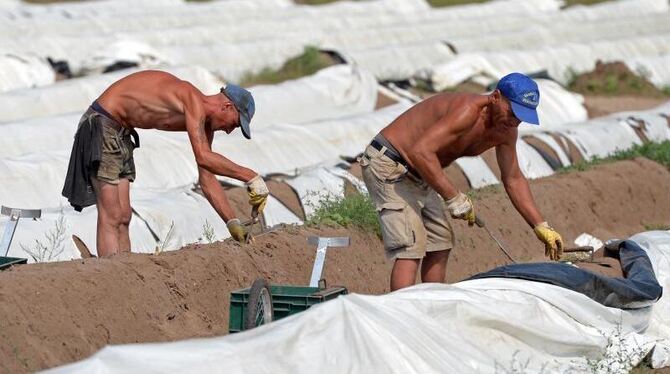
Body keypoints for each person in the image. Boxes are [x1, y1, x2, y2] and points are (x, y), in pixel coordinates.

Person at [360, 72, 564, 291]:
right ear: (495, 97)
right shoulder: (467, 111)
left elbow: (513, 178)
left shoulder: (506, 131)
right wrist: (454, 197)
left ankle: (433, 305)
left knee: (440, 241)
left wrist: (540, 225)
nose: (515, 121)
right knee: (411, 245)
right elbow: (420, 151)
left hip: (420, 172)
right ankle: (401, 317)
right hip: (390, 163)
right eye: (512, 112)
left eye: (521, 117)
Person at [62, 70, 268, 257]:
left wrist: (232, 223)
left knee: (124, 216)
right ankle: (110, 274)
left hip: (121, 134)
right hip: (103, 124)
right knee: (112, 214)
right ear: (227, 106)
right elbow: (203, 157)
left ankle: (124, 271)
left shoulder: (205, 125)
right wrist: (251, 177)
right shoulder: (191, 98)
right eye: (235, 123)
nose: (230, 130)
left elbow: (207, 179)